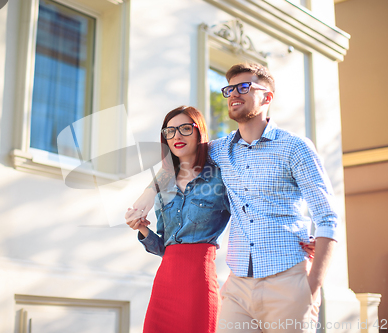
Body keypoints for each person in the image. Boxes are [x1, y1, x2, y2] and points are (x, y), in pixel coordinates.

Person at [128, 63, 337, 333]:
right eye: (229, 89)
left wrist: (312, 285)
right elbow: (178, 162)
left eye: (244, 87)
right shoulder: (219, 150)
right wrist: (146, 197)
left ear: (267, 97)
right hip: (238, 286)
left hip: (288, 277)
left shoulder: (294, 147)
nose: (234, 94)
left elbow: (327, 217)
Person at [126, 106, 231, 333]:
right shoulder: (163, 186)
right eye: (170, 131)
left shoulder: (220, 179)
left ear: (199, 132)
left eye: (185, 128)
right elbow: (163, 247)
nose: (177, 136)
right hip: (165, 283)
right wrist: (143, 230)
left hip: (199, 284)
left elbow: (248, 217)